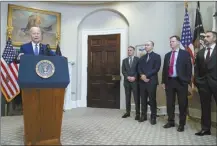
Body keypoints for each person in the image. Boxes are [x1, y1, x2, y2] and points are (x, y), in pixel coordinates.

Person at [161, 35, 192, 132]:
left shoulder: (185, 54)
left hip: (181, 82)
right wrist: (163, 81)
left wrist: (187, 81)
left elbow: (189, 68)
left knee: (182, 103)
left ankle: (182, 124)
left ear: (178, 42)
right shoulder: (167, 55)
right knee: (170, 103)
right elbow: (164, 70)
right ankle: (171, 121)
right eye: (170, 42)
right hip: (169, 81)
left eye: (173, 41)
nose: (171, 43)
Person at [194, 31, 217, 136]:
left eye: (208, 36)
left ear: (214, 38)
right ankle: (205, 129)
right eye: (205, 36)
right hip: (203, 84)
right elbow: (197, 69)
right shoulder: (200, 52)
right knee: (205, 107)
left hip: (216, 83)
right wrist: (198, 81)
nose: (205, 38)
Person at [137, 41, 161, 125]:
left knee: (152, 100)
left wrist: (146, 76)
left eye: (148, 45)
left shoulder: (157, 56)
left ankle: (153, 117)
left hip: (152, 81)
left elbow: (156, 68)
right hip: (142, 82)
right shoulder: (142, 57)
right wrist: (142, 76)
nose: (146, 46)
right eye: (145, 45)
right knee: (143, 100)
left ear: (152, 46)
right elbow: (139, 68)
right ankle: (143, 116)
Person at [122, 46, 140, 120]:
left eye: (130, 50)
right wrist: (127, 77)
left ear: (134, 51)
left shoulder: (138, 59)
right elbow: (123, 71)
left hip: (135, 82)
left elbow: (139, 70)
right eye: (128, 50)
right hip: (127, 82)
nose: (129, 51)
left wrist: (134, 77)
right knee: (127, 97)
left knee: (136, 98)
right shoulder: (124, 60)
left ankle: (137, 113)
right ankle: (127, 112)